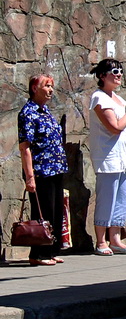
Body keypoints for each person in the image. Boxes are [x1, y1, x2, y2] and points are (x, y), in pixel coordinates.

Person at [89, 59, 126, 256]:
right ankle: (101, 241)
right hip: (108, 158)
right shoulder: (99, 98)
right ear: (102, 76)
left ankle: (116, 240)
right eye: (114, 71)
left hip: (123, 158)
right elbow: (115, 127)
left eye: (120, 71)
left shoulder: (118, 99)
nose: (119, 75)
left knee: (122, 199)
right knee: (107, 199)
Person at [17, 74, 69, 266]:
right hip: (40, 170)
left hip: (55, 168)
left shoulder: (45, 111)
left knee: (55, 212)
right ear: (34, 89)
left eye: (51, 86)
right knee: (42, 212)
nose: (50, 90)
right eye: (46, 86)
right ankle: (38, 253)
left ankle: (51, 250)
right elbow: (25, 147)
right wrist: (30, 176)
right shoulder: (28, 113)